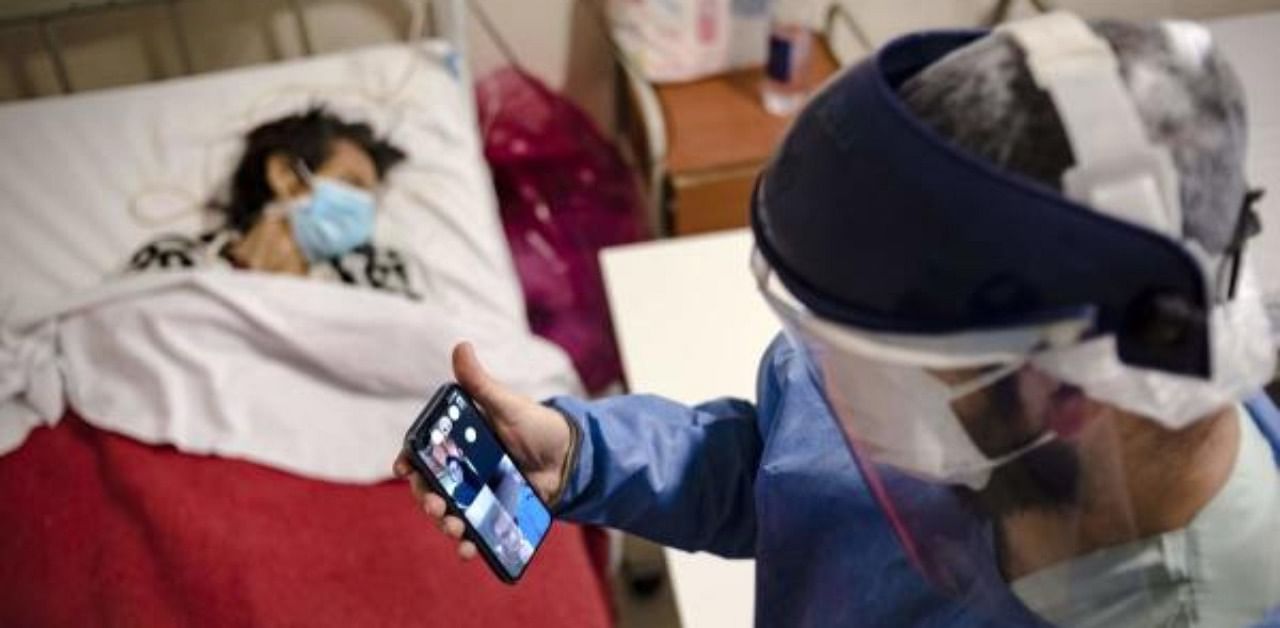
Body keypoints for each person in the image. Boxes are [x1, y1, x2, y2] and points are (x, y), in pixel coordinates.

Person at [395, 13, 1280, 627]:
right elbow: (794, 477)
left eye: (879, 362)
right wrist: (588, 454)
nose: (829, 381)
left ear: (1065, 392)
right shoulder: (999, 429)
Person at [125, 107, 419, 299]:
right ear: (285, 176)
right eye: (351, 184)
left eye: (370, 197)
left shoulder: (372, 273)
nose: (363, 208)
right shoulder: (175, 260)